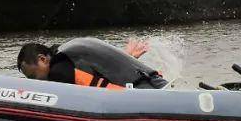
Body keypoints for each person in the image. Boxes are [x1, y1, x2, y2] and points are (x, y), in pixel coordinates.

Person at [17, 37, 168, 89]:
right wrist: (126, 56)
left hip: (145, 92)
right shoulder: (68, 52)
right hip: (155, 82)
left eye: (32, 76)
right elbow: (99, 68)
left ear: (43, 59)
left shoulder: (59, 71)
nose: (34, 82)